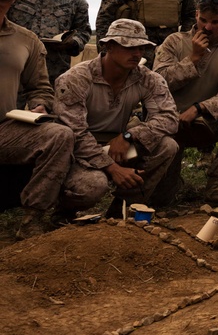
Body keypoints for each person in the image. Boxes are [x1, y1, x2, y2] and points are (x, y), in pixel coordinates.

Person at [54, 19, 180, 214]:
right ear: (109, 46)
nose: (137, 54)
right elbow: (75, 133)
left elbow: (169, 118)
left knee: (167, 145)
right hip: (78, 152)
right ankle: (63, 212)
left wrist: (129, 136)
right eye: (129, 47)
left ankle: (124, 208)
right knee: (93, 186)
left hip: (119, 146)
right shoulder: (76, 78)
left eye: (141, 48)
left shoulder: (147, 78)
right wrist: (112, 168)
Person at [0, 0, 80, 239]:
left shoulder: (26, 40)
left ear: (14, 0)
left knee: (59, 135)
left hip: (4, 129)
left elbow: (40, 87)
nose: (0, 4)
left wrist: (39, 104)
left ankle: (33, 217)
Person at [154, 0, 218, 208]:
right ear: (196, 15)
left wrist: (199, 108)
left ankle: (216, 186)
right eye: (203, 20)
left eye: (215, 22)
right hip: (169, 123)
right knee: (161, 200)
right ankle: (170, 181)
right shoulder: (174, 42)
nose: (208, 27)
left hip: (207, 121)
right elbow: (159, 83)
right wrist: (193, 58)